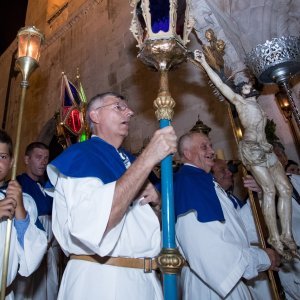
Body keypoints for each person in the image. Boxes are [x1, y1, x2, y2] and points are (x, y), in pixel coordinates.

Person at [47, 92, 177, 300]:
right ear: (95, 116)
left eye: (128, 108)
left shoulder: (129, 160)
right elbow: (95, 223)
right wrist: (149, 157)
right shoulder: (81, 155)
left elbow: (151, 227)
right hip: (103, 281)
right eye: (119, 107)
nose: (130, 112)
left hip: (145, 281)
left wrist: (158, 202)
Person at [193, 49, 296, 258]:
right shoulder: (240, 102)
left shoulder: (258, 106)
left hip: (266, 148)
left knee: (285, 189)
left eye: (249, 84)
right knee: (268, 190)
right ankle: (274, 237)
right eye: (246, 85)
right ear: (242, 91)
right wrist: (204, 62)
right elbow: (221, 85)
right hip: (252, 149)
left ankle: (286, 234)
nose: (249, 85)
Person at [174, 131, 280, 299]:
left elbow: (238, 229)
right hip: (211, 286)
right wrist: (262, 258)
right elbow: (209, 250)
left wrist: (259, 195)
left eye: (210, 145)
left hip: (226, 282)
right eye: (204, 147)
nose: (211, 151)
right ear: (187, 153)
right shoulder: (191, 183)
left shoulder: (205, 182)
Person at [212, 158, 274, 300]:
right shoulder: (212, 202)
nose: (229, 173)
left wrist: (261, 193)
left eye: (228, 169)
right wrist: (259, 195)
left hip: (257, 264)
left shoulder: (233, 199)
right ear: (211, 177)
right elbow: (241, 230)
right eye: (223, 170)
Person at [0, 130, 47, 299]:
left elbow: (32, 257)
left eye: (2, 156)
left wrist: (19, 209)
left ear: (11, 162)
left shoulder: (25, 201)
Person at [14, 142, 59, 300]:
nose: (43, 162)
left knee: (49, 291)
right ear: (27, 159)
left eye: (46, 158)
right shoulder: (18, 184)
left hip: (50, 251)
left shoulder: (49, 187)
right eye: (38, 157)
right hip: (30, 249)